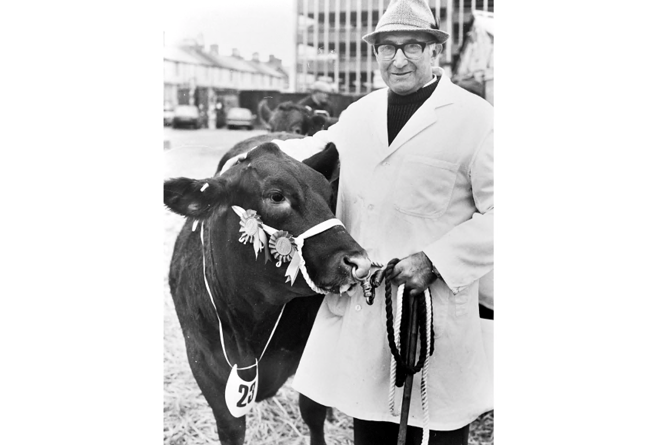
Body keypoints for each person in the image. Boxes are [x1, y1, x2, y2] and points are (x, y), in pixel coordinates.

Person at [278, 0, 493, 443]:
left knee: (437, 430)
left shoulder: (477, 121)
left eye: (413, 45)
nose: (399, 59)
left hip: (431, 314)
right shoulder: (359, 115)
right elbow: (306, 155)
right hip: (367, 308)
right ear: (374, 53)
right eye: (388, 47)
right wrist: (244, 166)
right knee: (369, 426)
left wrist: (434, 260)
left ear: (435, 50)